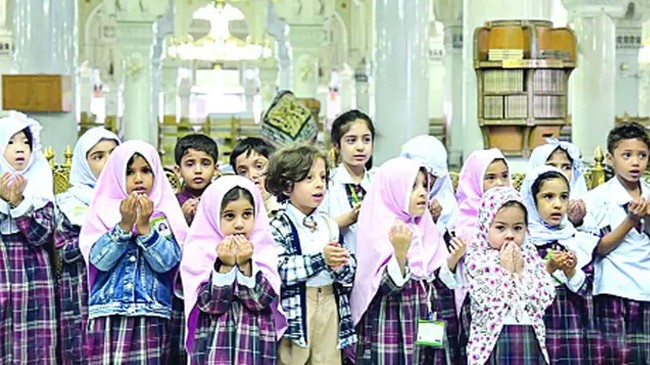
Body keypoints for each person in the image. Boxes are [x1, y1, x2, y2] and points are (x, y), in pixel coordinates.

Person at [80, 140, 188, 364]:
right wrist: (124, 227)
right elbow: (98, 261)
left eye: (146, 170)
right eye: (129, 172)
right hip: (108, 311)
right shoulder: (102, 210)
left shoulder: (165, 213)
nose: (138, 178)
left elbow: (169, 263)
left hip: (151, 312)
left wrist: (147, 228)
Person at [351, 157, 449, 364]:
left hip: (424, 313)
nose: (423, 192)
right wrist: (400, 252)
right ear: (393, 191)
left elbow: (439, 276)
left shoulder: (424, 225)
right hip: (392, 317)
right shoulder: (379, 227)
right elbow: (387, 286)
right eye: (412, 186)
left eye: (425, 185)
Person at [266, 144, 356, 364]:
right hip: (297, 305)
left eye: (323, 177)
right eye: (308, 178)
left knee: (328, 358)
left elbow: (349, 271)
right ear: (287, 186)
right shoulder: (278, 224)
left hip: (329, 302)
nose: (319, 184)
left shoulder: (329, 224)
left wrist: (342, 265)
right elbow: (280, 270)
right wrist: (321, 260)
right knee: (292, 358)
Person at [181, 176, 286, 364]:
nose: (239, 224)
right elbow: (211, 305)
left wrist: (246, 264)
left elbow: (261, 300)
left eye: (247, 214)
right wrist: (225, 266)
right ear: (212, 215)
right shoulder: (199, 250)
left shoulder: (264, 249)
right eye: (229, 215)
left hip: (254, 345)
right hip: (213, 344)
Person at [466, 186, 555, 365]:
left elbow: (545, 298)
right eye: (500, 227)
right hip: (493, 343)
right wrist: (507, 272)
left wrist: (521, 273)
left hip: (529, 337)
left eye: (517, 228)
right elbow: (490, 301)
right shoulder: (478, 259)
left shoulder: (530, 257)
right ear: (485, 225)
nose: (510, 235)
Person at [584, 121, 650, 364]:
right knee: (616, 356)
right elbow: (598, 247)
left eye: (642, 155)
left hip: (646, 285)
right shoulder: (597, 198)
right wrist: (631, 220)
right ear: (610, 159)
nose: (635, 162)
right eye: (627, 155)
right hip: (614, 286)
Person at [55, 127, 120, 365]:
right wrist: (106, 239)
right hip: (83, 292)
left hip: (120, 293)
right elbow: (65, 251)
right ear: (84, 163)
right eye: (98, 156)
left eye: (114, 154)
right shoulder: (72, 203)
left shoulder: (133, 198)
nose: (108, 162)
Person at [0, 112, 57, 363]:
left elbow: (42, 234)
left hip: (34, 273)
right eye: (11, 142)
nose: (20, 149)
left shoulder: (40, 182)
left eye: (25, 142)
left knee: (34, 342)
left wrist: (18, 202)